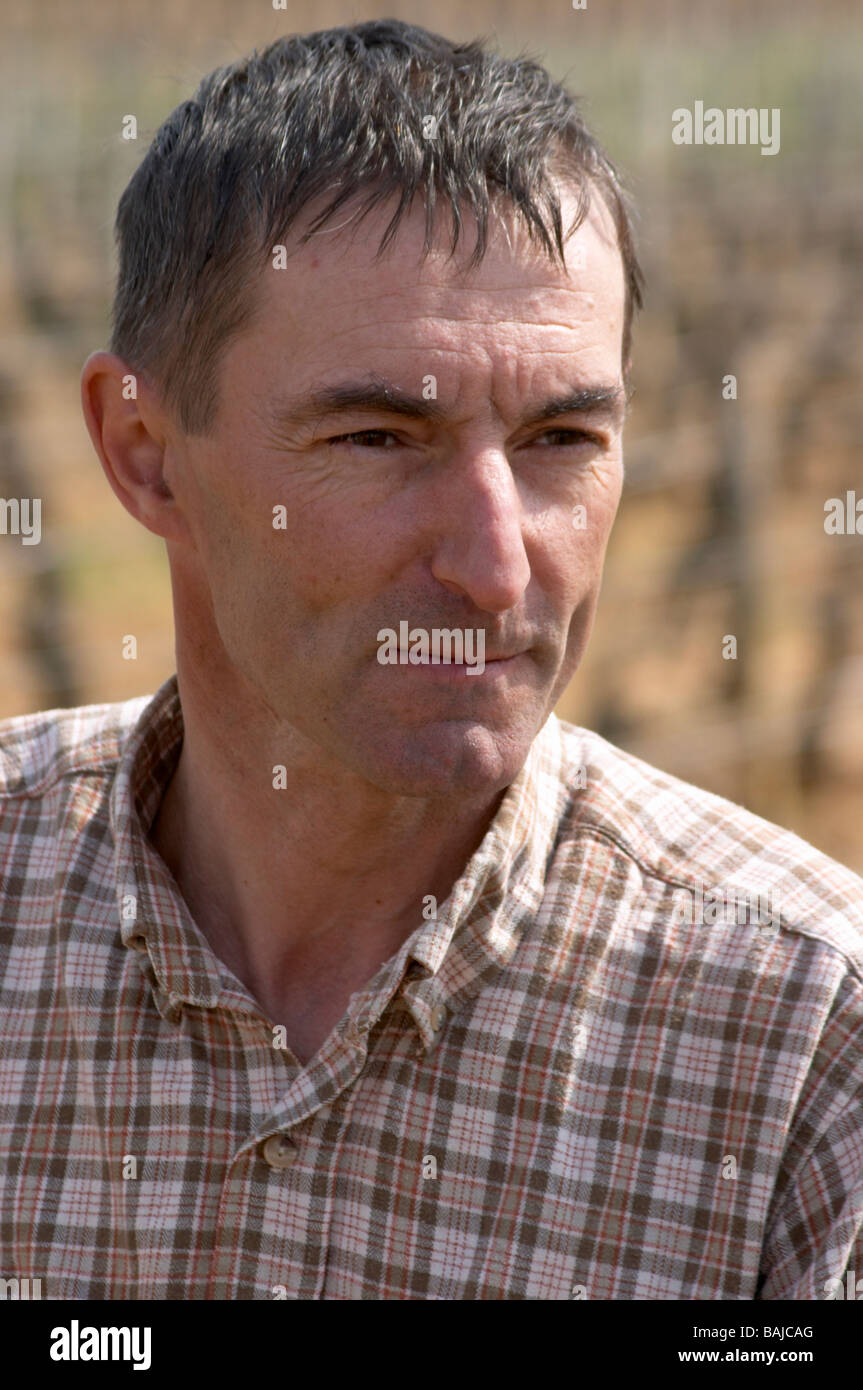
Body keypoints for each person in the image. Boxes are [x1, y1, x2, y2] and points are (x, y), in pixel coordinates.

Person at [1, 18, 860, 1301]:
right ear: (145, 450)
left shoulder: (804, 1050)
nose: (499, 567)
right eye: (377, 439)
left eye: (562, 438)